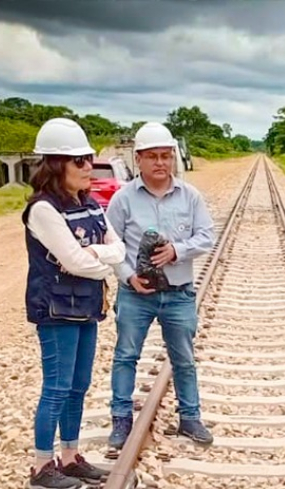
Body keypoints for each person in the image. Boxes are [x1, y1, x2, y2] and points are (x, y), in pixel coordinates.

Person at [23, 118, 126, 489]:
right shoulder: (43, 210)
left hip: (85, 306)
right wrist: (99, 260)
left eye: (88, 159)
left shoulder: (90, 203)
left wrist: (95, 254)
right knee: (57, 386)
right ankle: (40, 465)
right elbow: (73, 261)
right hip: (55, 309)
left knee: (78, 385)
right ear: (56, 165)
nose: (88, 167)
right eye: (79, 161)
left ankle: (69, 456)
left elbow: (118, 249)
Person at [105, 122, 216, 448]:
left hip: (179, 292)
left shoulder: (190, 196)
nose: (160, 163)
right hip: (135, 294)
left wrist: (176, 251)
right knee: (126, 355)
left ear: (173, 158)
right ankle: (121, 419)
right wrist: (128, 276)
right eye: (152, 156)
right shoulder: (122, 199)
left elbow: (206, 235)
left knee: (183, 357)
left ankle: (190, 418)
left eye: (166, 156)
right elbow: (111, 245)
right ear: (138, 159)